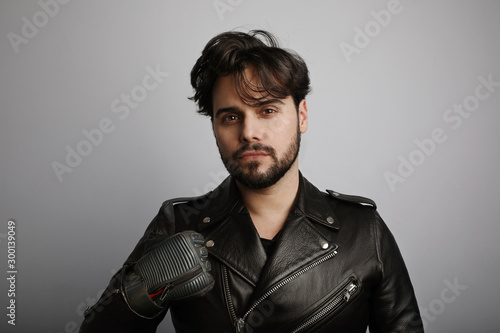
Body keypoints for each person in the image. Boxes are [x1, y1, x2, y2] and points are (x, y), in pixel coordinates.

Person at [80, 30, 424, 333]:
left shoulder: (363, 230)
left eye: (267, 110)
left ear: (301, 116)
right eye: (230, 117)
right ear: (215, 126)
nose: (248, 133)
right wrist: (139, 295)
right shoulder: (179, 224)